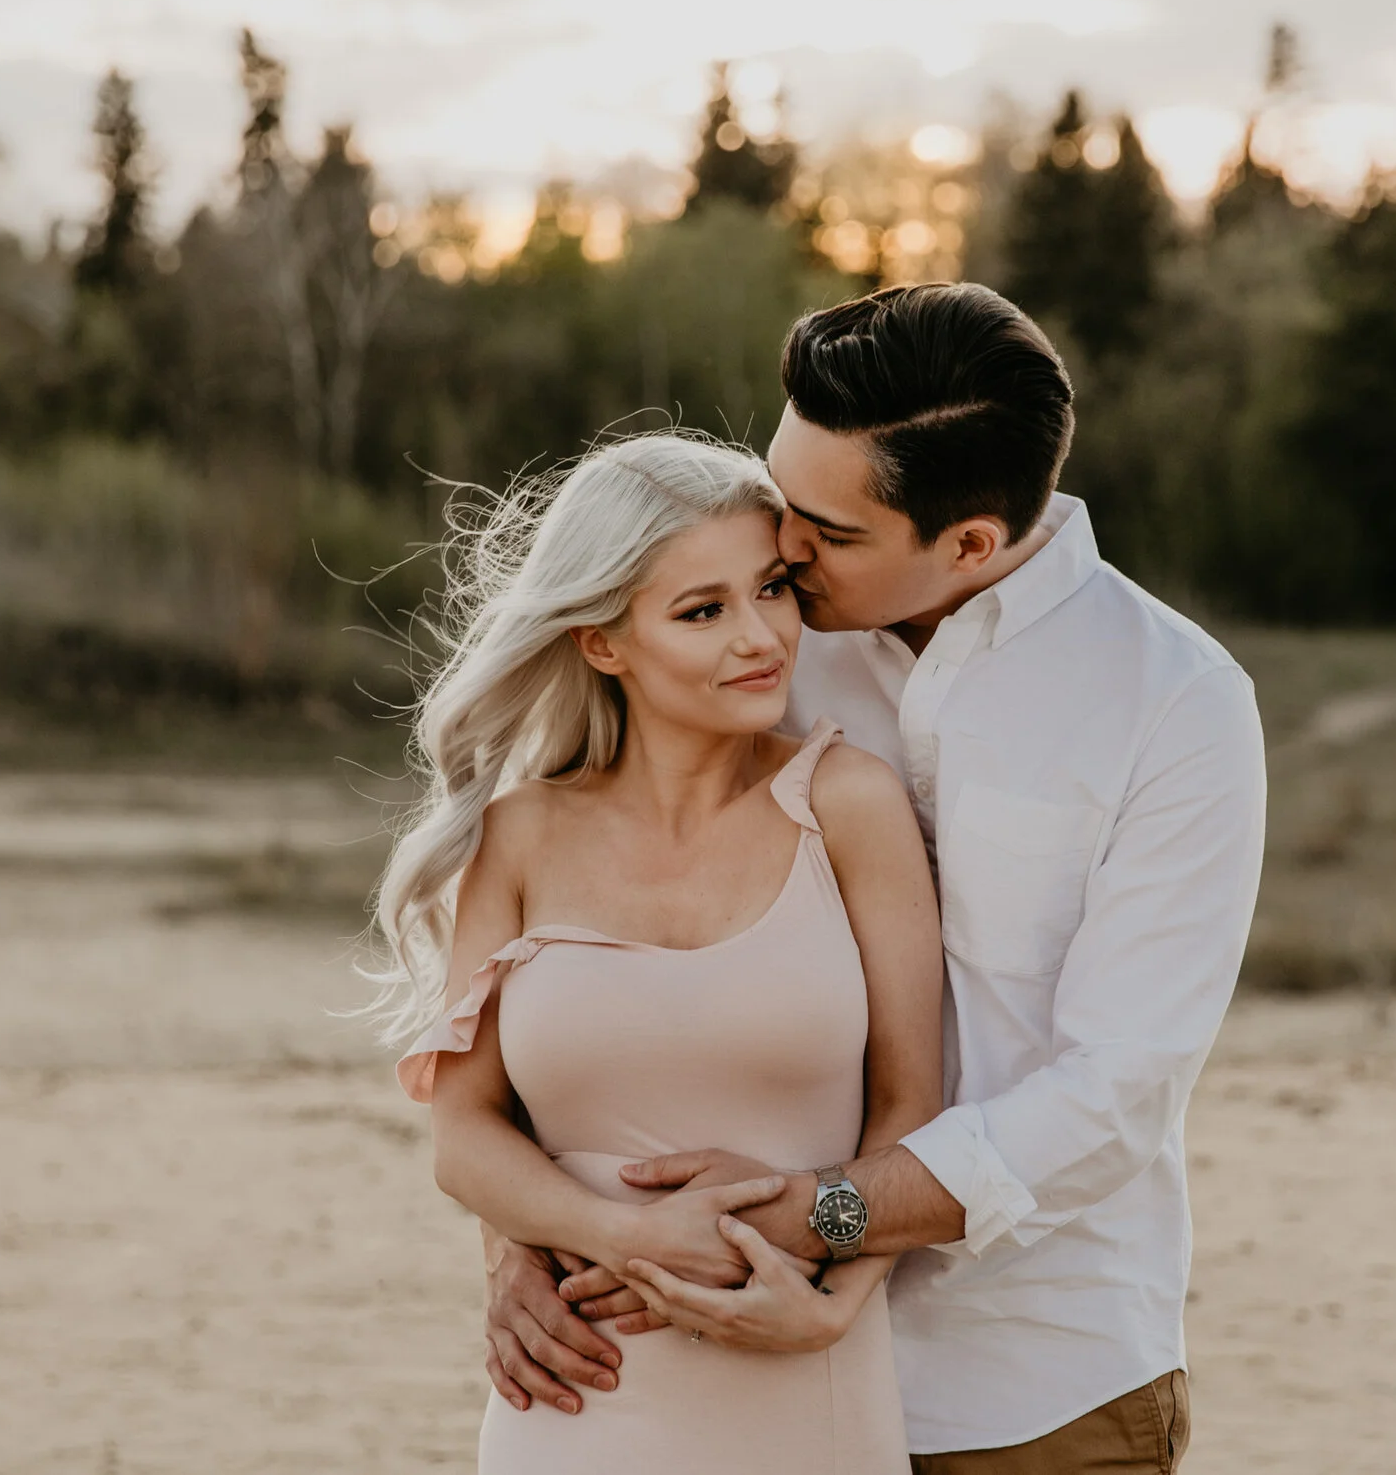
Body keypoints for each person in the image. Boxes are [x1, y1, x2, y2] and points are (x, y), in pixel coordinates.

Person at [486, 283, 1269, 1473]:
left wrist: (825, 1218)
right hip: (702, 1367)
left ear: (968, 543)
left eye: (829, 533)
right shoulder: (755, 636)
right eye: (779, 498)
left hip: (1027, 1386)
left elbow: (1113, 1095)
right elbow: (563, 952)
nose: (783, 553)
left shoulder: (1174, 702)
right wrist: (517, 1238)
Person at [369, 433, 946, 1473]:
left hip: (801, 1383)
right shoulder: (519, 836)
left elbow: (912, 1104)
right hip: (579, 1389)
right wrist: (620, 1236)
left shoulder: (848, 803)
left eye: (771, 588)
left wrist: (836, 1297)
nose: (761, 636)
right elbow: (464, 1134)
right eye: (701, 610)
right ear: (602, 642)